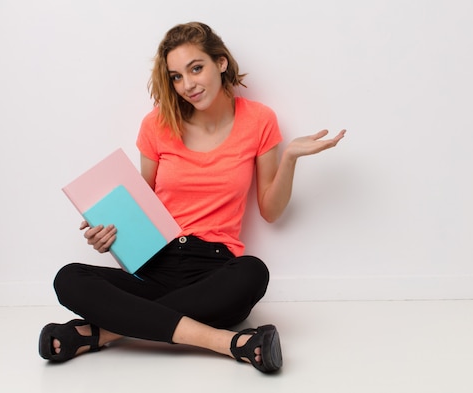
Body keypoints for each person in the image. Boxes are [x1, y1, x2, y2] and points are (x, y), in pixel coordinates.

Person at [38, 22, 345, 373]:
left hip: (215, 270)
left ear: (221, 63)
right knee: (69, 278)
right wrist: (108, 234)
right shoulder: (156, 125)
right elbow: (142, 203)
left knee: (253, 273)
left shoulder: (259, 120)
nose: (188, 85)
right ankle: (230, 343)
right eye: (176, 77)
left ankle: (103, 332)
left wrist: (289, 157)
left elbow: (271, 211)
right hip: (156, 260)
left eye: (196, 68)